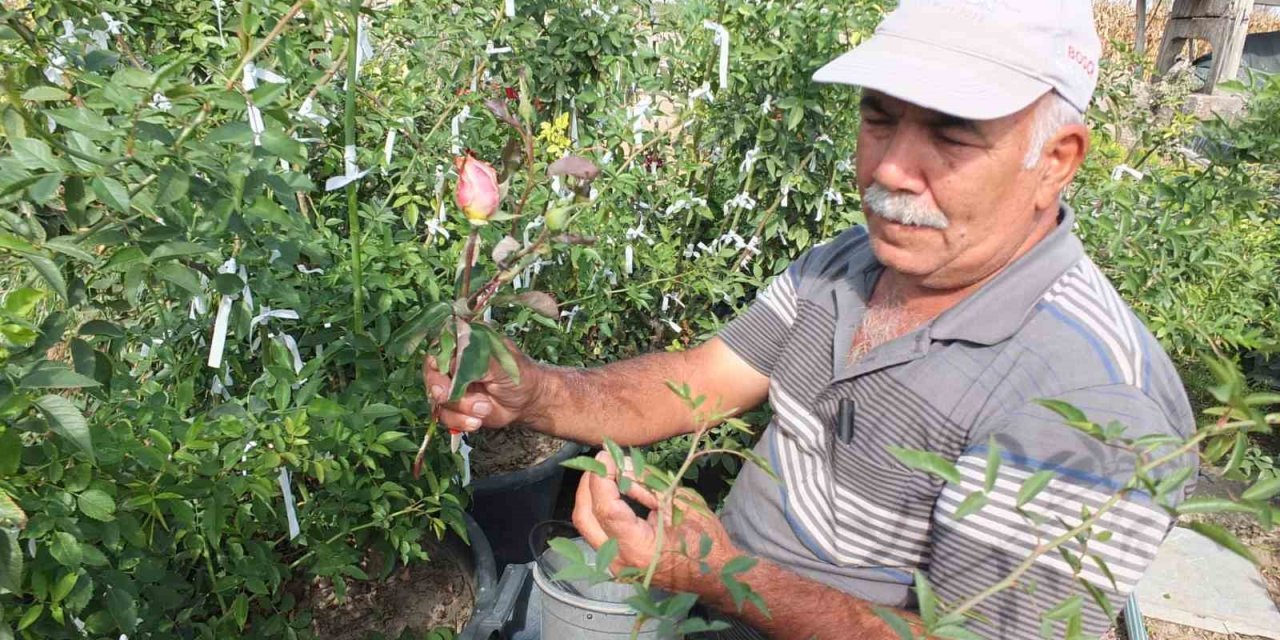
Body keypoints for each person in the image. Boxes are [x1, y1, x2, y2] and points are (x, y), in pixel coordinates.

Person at [424, 1, 1197, 637]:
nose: (891, 169)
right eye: (879, 118)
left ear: (1057, 157)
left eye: (952, 134)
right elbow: (699, 378)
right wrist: (537, 393)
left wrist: (720, 573)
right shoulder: (850, 265)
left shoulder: (1091, 406)